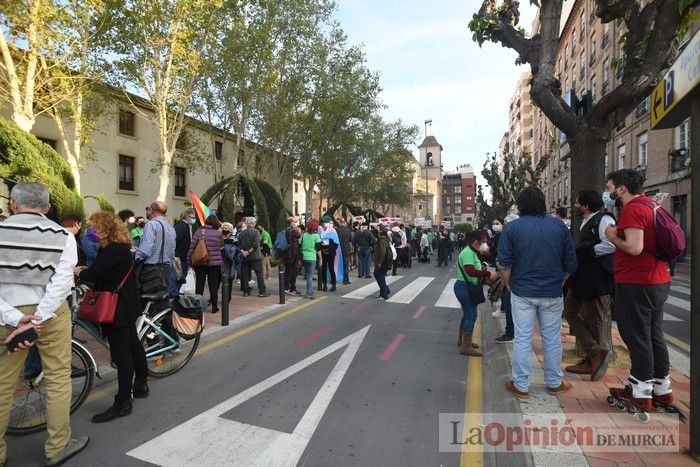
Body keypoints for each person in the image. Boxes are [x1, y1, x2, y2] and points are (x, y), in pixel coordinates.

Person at [0, 183, 89, 466]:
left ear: (13, 203)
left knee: (3, 384)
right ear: (47, 208)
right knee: (58, 378)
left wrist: (16, 318)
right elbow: (63, 282)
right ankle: (57, 446)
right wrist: (39, 317)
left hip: (6, 316)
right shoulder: (63, 235)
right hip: (50, 315)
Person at [603, 169, 673, 412]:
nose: (608, 192)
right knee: (654, 334)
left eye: (610, 188)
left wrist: (612, 236)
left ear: (622, 189)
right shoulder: (652, 205)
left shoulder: (632, 208)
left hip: (637, 282)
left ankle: (640, 391)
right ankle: (662, 388)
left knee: (636, 335)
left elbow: (633, 247)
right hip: (658, 280)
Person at [498, 186, 577, 399]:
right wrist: (560, 282)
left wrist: (508, 284)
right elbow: (570, 262)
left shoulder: (512, 228)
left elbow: (504, 263)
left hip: (522, 291)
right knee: (552, 338)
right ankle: (554, 382)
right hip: (552, 291)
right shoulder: (559, 227)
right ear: (543, 204)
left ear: (521, 206)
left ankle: (521, 384)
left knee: (522, 337)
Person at [75, 212, 149, 422]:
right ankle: (141, 383)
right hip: (124, 303)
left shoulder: (114, 249)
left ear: (107, 230)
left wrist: (79, 271)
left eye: (95, 227)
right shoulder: (115, 248)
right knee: (133, 344)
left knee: (122, 354)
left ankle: (123, 402)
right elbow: (105, 271)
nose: (91, 231)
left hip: (118, 307)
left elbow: (95, 274)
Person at [564, 190, 616, 381]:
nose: (576, 206)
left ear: (586, 205)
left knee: (594, 319)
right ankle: (595, 352)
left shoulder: (604, 219)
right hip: (581, 276)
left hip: (595, 277)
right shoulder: (586, 221)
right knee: (569, 311)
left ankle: (593, 360)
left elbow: (611, 244)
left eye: (578, 203)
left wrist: (589, 252)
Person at [454, 230, 498, 356]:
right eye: (483, 241)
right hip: (464, 287)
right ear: (475, 242)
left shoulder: (472, 252)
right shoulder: (468, 253)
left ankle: (462, 340)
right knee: (471, 315)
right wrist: (488, 273)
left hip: (467, 286)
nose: (484, 243)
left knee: (467, 313)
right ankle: (466, 346)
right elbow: (470, 271)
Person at [136, 201, 177, 299]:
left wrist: (135, 255)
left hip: (152, 269)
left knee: (149, 300)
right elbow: (172, 251)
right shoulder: (171, 227)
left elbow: (145, 250)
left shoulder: (151, 224)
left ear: (151, 210)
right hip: (166, 267)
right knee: (162, 299)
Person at [187, 214, 223, 313]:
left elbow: (192, 247)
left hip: (200, 261)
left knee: (200, 284)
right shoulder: (218, 233)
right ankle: (214, 306)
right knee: (213, 284)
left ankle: (197, 306)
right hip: (214, 263)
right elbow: (221, 245)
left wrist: (189, 260)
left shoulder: (199, 231)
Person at [494, 214, 519, 342]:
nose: (502, 226)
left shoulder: (510, 237)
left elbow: (504, 260)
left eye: (505, 223)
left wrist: (507, 282)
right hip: (515, 279)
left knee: (510, 307)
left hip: (511, 280)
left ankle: (510, 333)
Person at [238, 217, 269, 297]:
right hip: (255, 256)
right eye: (254, 222)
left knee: (245, 274)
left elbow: (239, 245)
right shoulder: (256, 232)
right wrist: (248, 251)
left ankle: (246, 291)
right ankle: (262, 291)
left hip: (245, 256)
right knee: (259, 274)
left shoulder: (242, 233)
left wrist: (244, 252)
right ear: (252, 223)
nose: (255, 224)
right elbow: (255, 245)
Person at [300, 219, 322, 299]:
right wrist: (321, 259)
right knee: (310, 276)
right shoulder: (316, 236)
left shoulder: (304, 235)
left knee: (308, 275)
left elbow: (300, 244)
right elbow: (318, 249)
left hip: (304, 257)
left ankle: (310, 290)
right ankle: (309, 292)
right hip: (312, 257)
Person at [174, 210, 195, 288]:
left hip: (182, 257)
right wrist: (180, 255)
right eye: (192, 217)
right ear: (187, 217)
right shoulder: (182, 226)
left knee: (181, 278)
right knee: (179, 278)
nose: (193, 219)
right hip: (180, 258)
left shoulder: (184, 226)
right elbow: (176, 240)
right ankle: (175, 296)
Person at [282, 217, 302, 295]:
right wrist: (298, 229)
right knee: (293, 272)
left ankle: (286, 287)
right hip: (293, 254)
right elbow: (299, 235)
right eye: (293, 222)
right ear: (290, 223)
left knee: (287, 271)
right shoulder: (293, 230)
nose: (295, 223)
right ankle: (292, 289)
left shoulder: (286, 230)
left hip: (287, 253)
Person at [221, 222, 240, 302]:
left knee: (229, 281)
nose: (224, 230)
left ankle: (227, 298)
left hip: (229, 262)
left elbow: (237, 249)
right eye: (223, 228)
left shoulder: (234, 239)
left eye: (226, 228)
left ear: (231, 230)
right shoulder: (220, 238)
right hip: (221, 261)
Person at [372, 225, 392, 300]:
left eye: (378, 229)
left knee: (379, 276)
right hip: (383, 261)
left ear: (381, 231)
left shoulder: (382, 239)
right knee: (380, 276)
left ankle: (384, 294)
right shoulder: (383, 238)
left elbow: (382, 252)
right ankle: (385, 291)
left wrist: (380, 262)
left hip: (382, 262)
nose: (376, 230)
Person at [336, 218, 352, 285]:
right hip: (346, 250)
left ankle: (339, 278)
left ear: (340, 223)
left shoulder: (337, 230)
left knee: (339, 265)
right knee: (346, 266)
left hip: (339, 250)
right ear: (345, 223)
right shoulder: (348, 230)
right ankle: (346, 280)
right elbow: (350, 239)